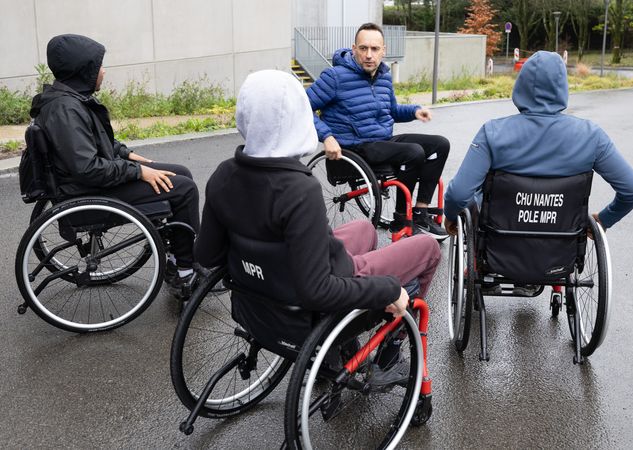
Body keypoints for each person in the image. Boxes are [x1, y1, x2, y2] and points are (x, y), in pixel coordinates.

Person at [194, 70, 441, 356]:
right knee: (427, 247)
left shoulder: (224, 174)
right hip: (309, 305)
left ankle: (344, 352)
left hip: (261, 296)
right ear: (297, 119)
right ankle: (393, 340)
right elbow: (317, 290)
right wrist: (387, 289)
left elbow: (207, 255)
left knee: (365, 229)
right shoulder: (298, 188)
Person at [444, 51, 633, 292]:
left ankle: (481, 265)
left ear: (521, 86)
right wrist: (603, 220)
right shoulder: (591, 136)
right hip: (560, 249)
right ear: (563, 88)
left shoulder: (492, 133)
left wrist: (451, 216)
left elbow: (458, 194)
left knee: (476, 196)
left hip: (499, 243)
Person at [29, 34, 200, 298]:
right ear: (83, 71)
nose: (104, 71)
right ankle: (186, 273)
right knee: (184, 188)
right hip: (86, 194)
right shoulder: (66, 109)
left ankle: (178, 257)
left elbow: (97, 143)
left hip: (85, 184)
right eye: (98, 66)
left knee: (180, 173)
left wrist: (129, 155)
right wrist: (139, 172)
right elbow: (88, 167)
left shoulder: (70, 99)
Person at [306, 22, 450, 240]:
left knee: (440, 144)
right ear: (353, 49)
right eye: (363, 48)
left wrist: (415, 111)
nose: (369, 55)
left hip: (382, 142)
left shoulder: (383, 76)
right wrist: (326, 137)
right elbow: (302, 108)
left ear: (384, 51)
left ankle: (420, 212)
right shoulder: (334, 77)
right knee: (413, 152)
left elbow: (391, 110)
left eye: (375, 49)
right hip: (354, 148)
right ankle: (401, 219)